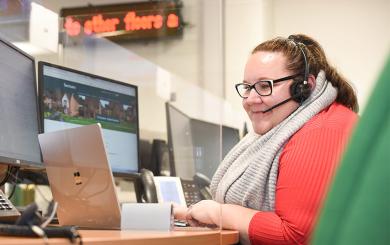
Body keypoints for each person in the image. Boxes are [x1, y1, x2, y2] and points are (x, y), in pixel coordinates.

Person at [174, 34, 359, 245]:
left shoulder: (323, 129)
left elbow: (296, 236)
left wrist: (219, 213)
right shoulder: (295, 123)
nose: (250, 100)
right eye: (247, 87)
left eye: (264, 86)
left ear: (304, 87)